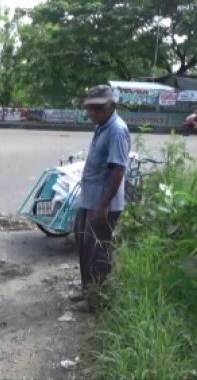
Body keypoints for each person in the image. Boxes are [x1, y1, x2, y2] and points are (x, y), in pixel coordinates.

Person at [71, 85, 131, 311]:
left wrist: (103, 205)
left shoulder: (116, 129)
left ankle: (98, 301)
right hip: (91, 201)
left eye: (97, 108)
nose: (91, 113)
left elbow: (118, 170)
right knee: (85, 249)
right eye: (89, 108)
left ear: (111, 106)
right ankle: (88, 291)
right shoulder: (102, 126)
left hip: (103, 205)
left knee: (99, 253)